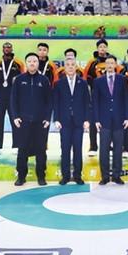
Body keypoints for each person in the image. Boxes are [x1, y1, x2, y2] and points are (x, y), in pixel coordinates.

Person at [11, 53, 53, 186]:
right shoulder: (19, 79)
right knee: (22, 149)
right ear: (26, 63)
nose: (32, 63)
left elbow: (49, 101)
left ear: (38, 63)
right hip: (23, 121)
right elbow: (13, 100)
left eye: (34, 61)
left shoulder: (44, 80)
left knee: (41, 150)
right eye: (29, 61)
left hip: (40, 122)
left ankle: (41, 176)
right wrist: (15, 116)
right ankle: (21, 176)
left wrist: (47, 118)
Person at [92, 55, 128, 185]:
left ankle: (116, 176)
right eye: (107, 63)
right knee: (103, 149)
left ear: (115, 65)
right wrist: (96, 119)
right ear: (105, 65)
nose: (109, 65)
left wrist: (127, 117)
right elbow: (95, 102)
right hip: (104, 120)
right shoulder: (98, 81)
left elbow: (126, 99)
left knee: (118, 149)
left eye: (112, 63)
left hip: (119, 119)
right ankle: (104, 176)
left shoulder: (122, 80)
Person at [53, 57, 90, 185]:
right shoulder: (59, 84)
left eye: (72, 64)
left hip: (79, 122)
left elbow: (87, 102)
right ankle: (65, 176)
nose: (70, 67)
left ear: (76, 67)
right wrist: (56, 119)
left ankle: (77, 175)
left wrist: (87, 119)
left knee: (78, 149)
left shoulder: (83, 83)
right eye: (68, 64)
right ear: (64, 67)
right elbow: (56, 103)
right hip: (64, 122)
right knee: (65, 149)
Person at [0, 42, 24, 155]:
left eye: (9, 47)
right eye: (5, 47)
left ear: (12, 49)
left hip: (14, 98)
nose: (7, 49)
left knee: (15, 121)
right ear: (2, 49)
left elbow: (22, 81)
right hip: (0, 97)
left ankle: (16, 145)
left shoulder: (18, 64)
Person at [83, 39, 111, 156]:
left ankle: (108, 145)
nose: (102, 49)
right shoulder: (92, 62)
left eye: (104, 47)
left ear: (107, 48)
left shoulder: (111, 61)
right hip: (95, 95)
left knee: (108, 121)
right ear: (97, 48)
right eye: (100, 47)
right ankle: (93, 146)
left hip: (109, 96)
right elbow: (86, 76)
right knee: (94, 120)